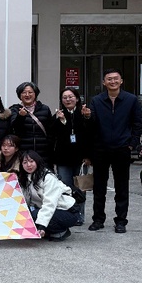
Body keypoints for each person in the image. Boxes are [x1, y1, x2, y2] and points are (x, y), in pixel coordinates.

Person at [86, 68, 142, 234]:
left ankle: (121, 221)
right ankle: (98, 219)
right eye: (109, 79)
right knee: (99, 187)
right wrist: (87, 117)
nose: (113, 81)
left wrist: (132, 144)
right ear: (104, 82)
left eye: (115, 78)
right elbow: (91, 126)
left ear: (121, 81)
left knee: (122, 187)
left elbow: (138, 123)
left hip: (122, 149)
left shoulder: (131, 100)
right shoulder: (96, 101)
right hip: (101, 149)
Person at [19, 151, 77, 241]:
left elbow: (50, 203)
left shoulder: (48, 177)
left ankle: (61, 231)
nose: (28, 165)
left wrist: (42, 225)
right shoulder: (26, 178)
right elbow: (25, 201)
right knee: (27, 214)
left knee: (35, 214)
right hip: (48, 210)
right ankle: (46, 231)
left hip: (67, 211)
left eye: (31, 161)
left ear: (37, 161)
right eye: (25, 162)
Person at [52, 87, 90, 225]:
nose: (68, 99)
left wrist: (88, 156)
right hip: (63, 159)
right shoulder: (58, 115)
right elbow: (54, 134)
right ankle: (68, 215)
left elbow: (91, 134)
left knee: (81, 188)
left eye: (71, 96)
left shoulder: (84, 113)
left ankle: (80, 215)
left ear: (77, 98)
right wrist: (61, 121)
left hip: (81, 159)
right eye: (64, 97)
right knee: (65, 188)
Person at [9, 81, 53, 164]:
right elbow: (15, 129)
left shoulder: (45, 109)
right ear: (19, 95)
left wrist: (49, 147)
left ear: (35, 94)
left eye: (30, 92)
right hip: (24, 153)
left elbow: (50, 131)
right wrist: (21, 117)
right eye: (24, 92)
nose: (27, 95)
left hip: (43, 153)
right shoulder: (14, 109)